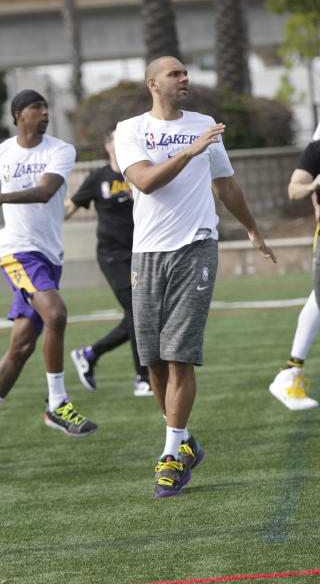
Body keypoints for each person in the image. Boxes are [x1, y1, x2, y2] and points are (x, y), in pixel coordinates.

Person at [114, 55, 276, 497]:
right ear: (153, 83)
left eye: (185, 73)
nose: (184, 78)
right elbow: (145, 181)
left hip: (196, 247)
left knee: (179, 354)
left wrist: (252, 228)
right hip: (146, 254)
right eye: (174, 74)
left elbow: (224, 184)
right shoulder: (130, 130)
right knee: (152, 363)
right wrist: (191, 150)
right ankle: (184, 442)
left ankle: (169, 457)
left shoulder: (204, 123)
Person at [0, 89, 95, 465]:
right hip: (16, 251)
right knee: (56, 314)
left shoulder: (61, 150)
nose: (44, 113)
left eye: (46, 108)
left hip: (49, 255)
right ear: (18, 116)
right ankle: (58, 403)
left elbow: (47, 192)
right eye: (36, 108)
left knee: (22, 347)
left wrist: (1, 199)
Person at [65, 129, 152, 397]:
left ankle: (90, 354)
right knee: (139, 312)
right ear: (107, 145)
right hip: (113, 255)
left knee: (141, 314)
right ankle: (143, 378)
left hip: (141, 252)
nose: (122, 142)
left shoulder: (137, 172)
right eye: (116, 138)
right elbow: (70, 207)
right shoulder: (99, 178)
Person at [270, 139, 320, 409]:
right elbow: (294, 189)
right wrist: (313, 186)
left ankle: (292, 372)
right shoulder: (317, 149)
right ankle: (291, 372)